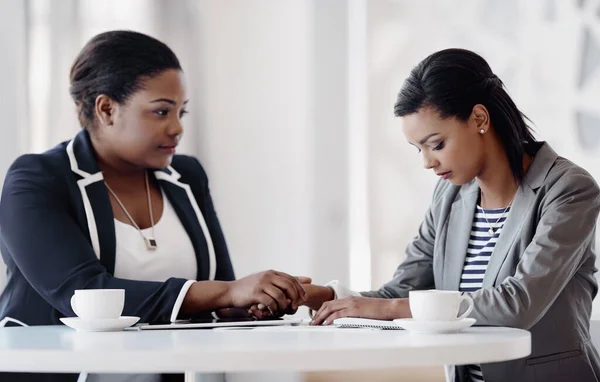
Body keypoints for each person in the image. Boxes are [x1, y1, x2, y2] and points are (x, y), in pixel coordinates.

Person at [0, 30, 307, 382]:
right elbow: (83, 295)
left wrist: (258, 298)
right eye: (161, 111)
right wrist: (227, 290)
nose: (176, 128)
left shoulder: (186, 176)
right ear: (106, 109)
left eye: (181, 112)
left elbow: (220, 290)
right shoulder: (36, 179)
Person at [301, 48, 600, 382]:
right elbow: (399, 293)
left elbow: (519, 303)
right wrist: (316, 298)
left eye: (437, 144)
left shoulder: (568, 189)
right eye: (419, 149)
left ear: (479, 119)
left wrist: (389, 309)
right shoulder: (450, 196)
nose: (427, 162)